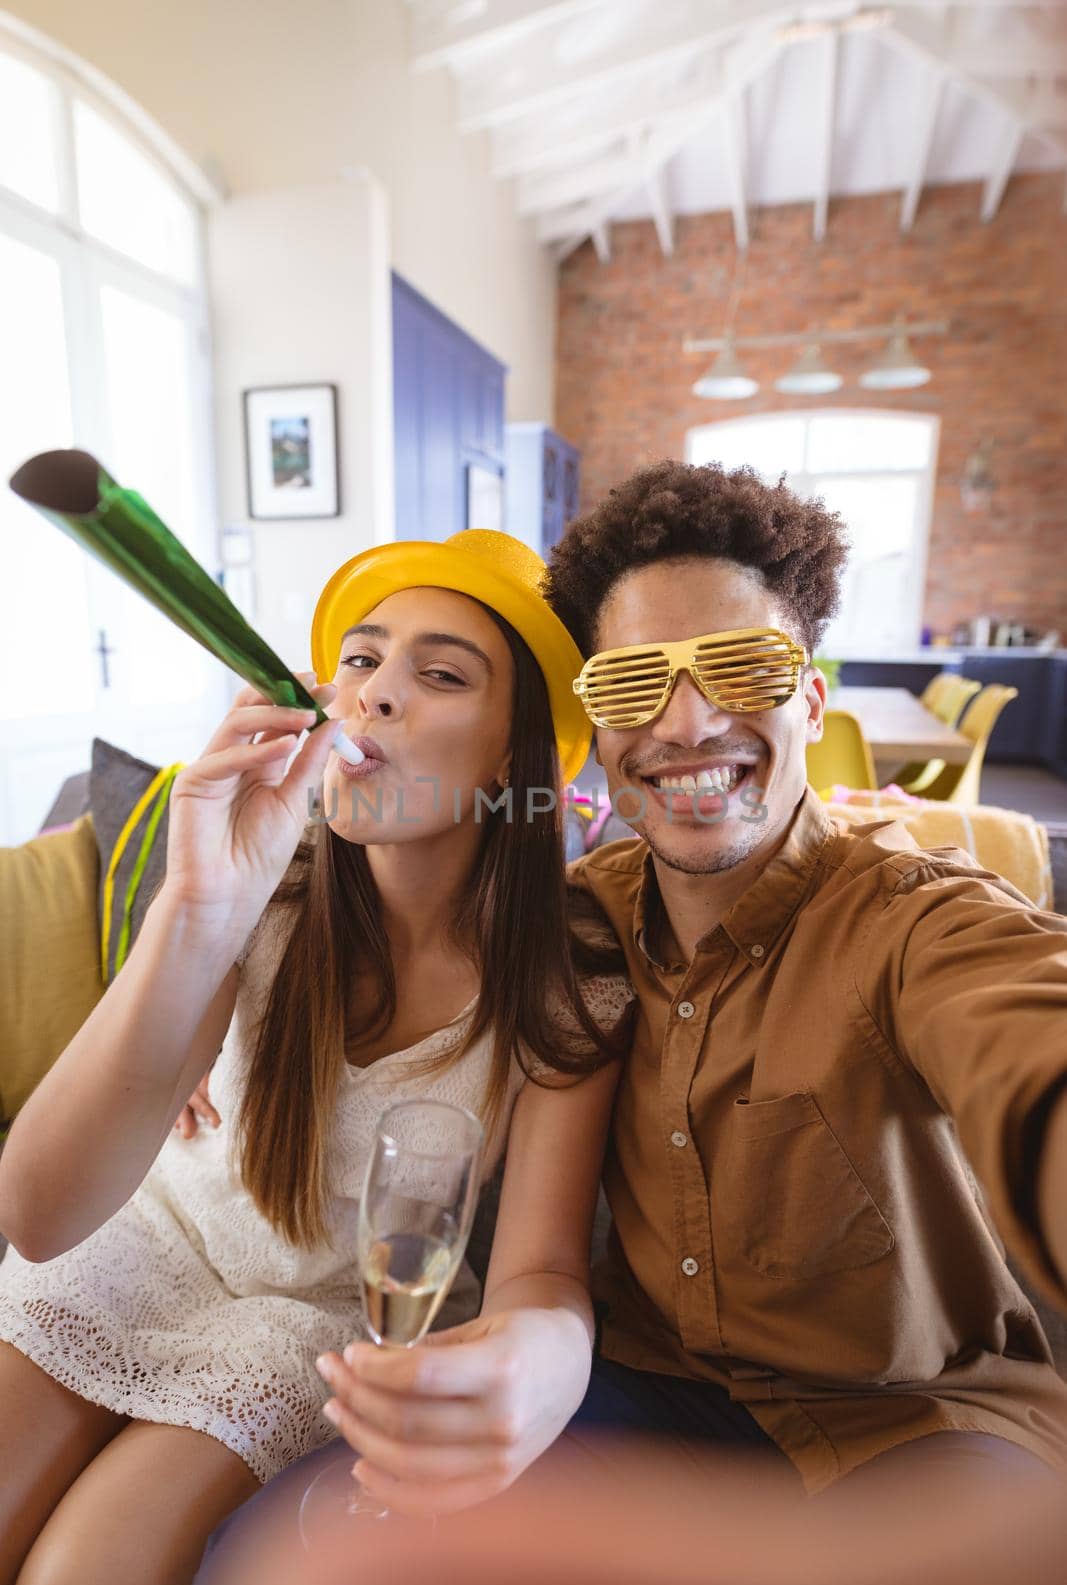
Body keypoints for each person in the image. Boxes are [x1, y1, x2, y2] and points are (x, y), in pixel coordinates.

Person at [307, 459, 1067, 1510]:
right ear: (596, 737)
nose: (684, 722)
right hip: (645, 1401)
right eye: (630, 684)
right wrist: (206, 1023)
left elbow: (1028, 1036)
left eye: (740, 668)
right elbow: (389, 908)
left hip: (917, 1425)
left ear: (808, 695)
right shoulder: (575, 920)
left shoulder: (914, 919)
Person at [0, 529, 633, 1585]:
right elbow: (40, 1211)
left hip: (320, 1319)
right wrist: (197, 909)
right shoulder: (261, 891)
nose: (374, 694)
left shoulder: (567, 989)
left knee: (80, 1577)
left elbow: (539, 1272)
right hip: (143, 1244)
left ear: (511, 759)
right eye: (360, 659)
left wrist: (535, 1372)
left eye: (438, 675)